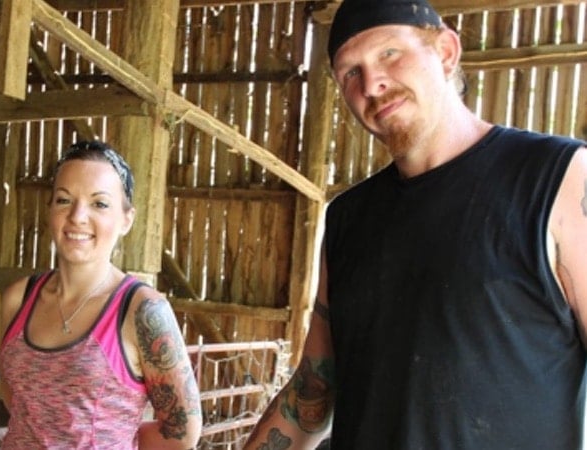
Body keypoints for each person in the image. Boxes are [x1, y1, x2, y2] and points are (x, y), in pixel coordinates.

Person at [244, 0, 587, 448]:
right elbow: (315, 388)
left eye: (389, 53)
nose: (371, 83)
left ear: (445, 51)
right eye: (350, 72)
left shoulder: (558, 179)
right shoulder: (348, 218)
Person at [0, 140, 202, 449]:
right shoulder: (17, 298)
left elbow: (182, 432)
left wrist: (116, 438)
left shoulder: (142, 311)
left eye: (99, 204)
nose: (78, 216)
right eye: (64, 200)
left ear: (126, 220)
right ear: (50, 209)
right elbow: (15, 399)